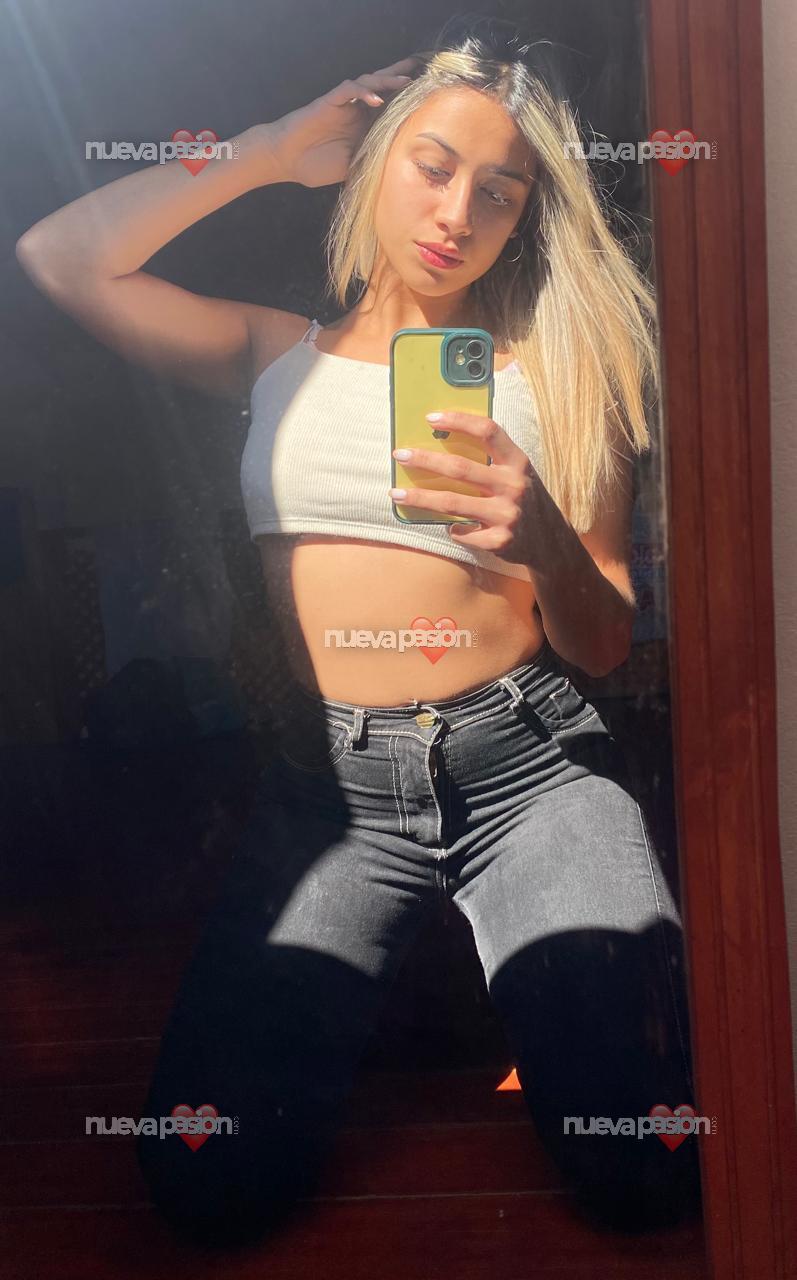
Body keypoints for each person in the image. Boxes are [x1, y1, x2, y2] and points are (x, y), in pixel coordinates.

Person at [17, 14, 702, 1250]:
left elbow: (602, 643)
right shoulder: (270, 355)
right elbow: (59, 256)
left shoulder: (564, 370)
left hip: (528, 770)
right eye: (431, 165)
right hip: (328, 789)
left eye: (497, 192)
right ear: (379, 158)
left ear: (521, 218)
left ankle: (466, 982)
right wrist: (271, 148)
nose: (455, 212)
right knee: (204, 1179)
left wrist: (542, 537)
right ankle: (436, 984)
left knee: (649, 1168)